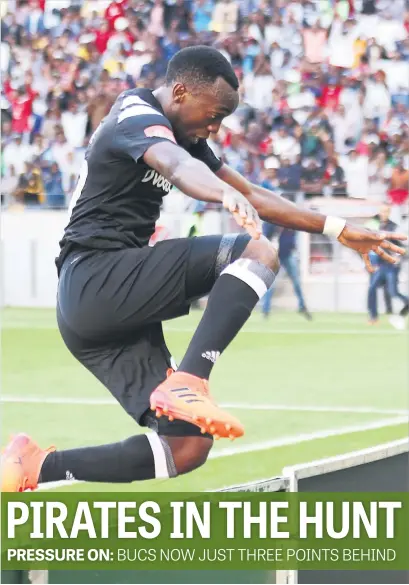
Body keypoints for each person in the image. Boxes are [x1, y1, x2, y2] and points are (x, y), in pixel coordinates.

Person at [1, 46, 406, 492]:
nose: (215, 128)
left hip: (97, 314)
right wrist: (220, 195)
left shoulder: (185, 134)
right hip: (95, 275)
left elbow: (253, 192)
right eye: (213, 115)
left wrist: (338, 228)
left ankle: (35, 466)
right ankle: (190, 381)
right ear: (179, 92)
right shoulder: (136, 115)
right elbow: (176, 166)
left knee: (187, 447)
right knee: (257, 253)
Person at [367, 203, 408, 328]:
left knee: (393, 292)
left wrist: (397, 256)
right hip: (380, 265)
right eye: (381, 211)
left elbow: (402, 247)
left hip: (391, 266)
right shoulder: (374, 225)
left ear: (389, 213)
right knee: (372, 288)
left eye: (385, 212)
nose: (383, 214)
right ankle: (373, 317)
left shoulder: (393, 228)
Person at [261, 224, 312, 319]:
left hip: (287, 254)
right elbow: (266, 236)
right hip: (275, 256)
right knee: (272, 284)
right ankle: (265, 309)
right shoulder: (271, 222)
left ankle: (302, 306)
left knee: (296, 282)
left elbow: (292, 238)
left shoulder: (289, 221)